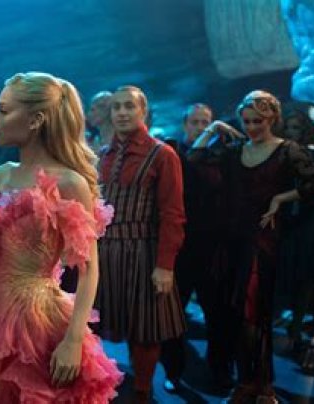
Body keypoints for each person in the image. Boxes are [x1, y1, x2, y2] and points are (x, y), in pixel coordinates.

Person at [0, 72, 122, 403]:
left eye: (4, 110)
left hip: (36, 321)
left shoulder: (69, 182)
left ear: (35, 120)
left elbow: (88, 270)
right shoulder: (2, 173)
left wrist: (73, 340)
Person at [188, 90, 314, 403]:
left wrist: (281, 198)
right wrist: (214, 128)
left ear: (272, 119)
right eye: (247, 121)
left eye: (258, 121)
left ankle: (262, 384)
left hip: (263, 240)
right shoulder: (235, 150)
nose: (251, 127)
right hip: (231, 240)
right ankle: (247, 382)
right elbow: (194, 159)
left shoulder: (287, 150)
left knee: (254, 313)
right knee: (236, 314)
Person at [95, 86, 187, 403]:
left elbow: (173, 214)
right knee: (97, 322)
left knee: (145, 328)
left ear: (143, 111)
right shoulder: (103, 155)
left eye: (129, 106)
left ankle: (143, 391)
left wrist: (165, 265)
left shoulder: (163, 154)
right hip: (105, 250)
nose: (122, 112)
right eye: (116, 107)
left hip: (143, 251)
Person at [160, 103, 237, 392]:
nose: (201, 127)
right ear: (185, 124)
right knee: (174, 314)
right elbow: (188, 169)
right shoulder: (174, 151)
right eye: (195, 122)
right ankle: (174, 371)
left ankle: (220, 370)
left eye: (206, 122)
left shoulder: (221, 157)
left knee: (218, 313)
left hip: (214, 246)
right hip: (182, 246)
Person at [276, 102, 314, 351]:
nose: (292, 131)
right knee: (283, 272)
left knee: (307, 276)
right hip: (287, 220)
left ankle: (296, 326)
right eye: (289, 127)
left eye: (296, 127)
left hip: (309, 221)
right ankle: (284, 320)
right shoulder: (280, 154)